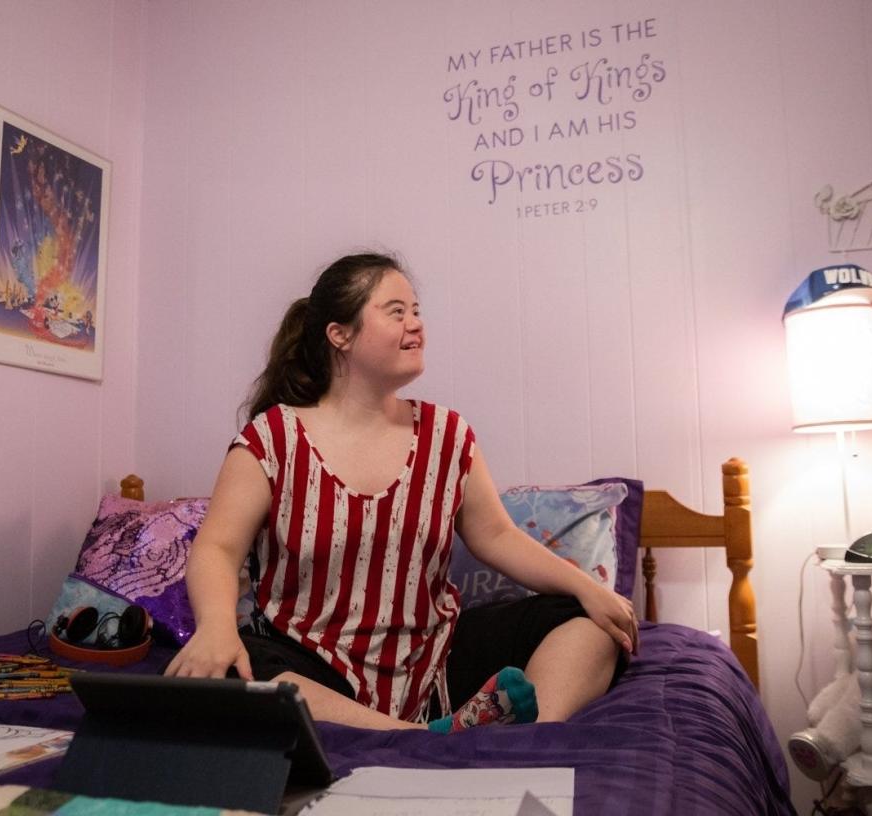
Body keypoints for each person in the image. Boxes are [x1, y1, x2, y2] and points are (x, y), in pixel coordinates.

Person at [165, 252, 637, 732]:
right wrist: (217, 628)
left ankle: (525, 734)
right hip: (312, 664)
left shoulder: (448, 435)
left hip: (435, 661)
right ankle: (432, 738)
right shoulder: (271, 439)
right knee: (239, 673)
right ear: (340, 334)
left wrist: (588, 588)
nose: (416, 326)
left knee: (592, 623)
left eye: (417, 311)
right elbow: (218, 548)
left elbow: (496, 535)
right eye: (397, 312)